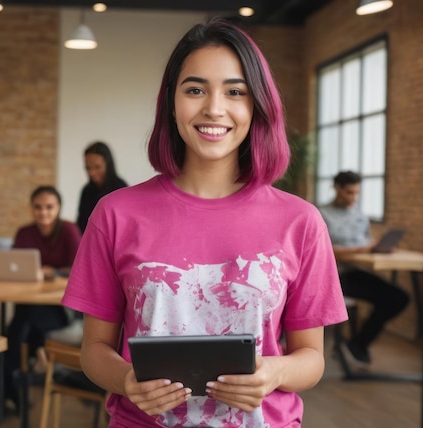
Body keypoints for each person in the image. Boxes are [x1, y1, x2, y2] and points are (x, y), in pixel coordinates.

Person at [62, 17, 348, 428]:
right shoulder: (115, 213)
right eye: (195, 89)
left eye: (235, 92)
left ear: (258, 106)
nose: (214, 108)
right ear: (171, 102)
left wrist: (275, 373)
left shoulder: (300, 221)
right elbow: (94, 350)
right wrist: (127, 379)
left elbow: (312, 358)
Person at [0, 185, 82, 412]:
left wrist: (54, 272)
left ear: (59, 208)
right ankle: (21, 372)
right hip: (28, 303)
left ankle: (6, 389)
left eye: (49, 207)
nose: (43, 213)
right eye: (38, 207)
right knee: (24, 320)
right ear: (31, 208)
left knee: (17, 331)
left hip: (59, 309)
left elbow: (82, 268)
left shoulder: (69, 230)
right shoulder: (25, 232)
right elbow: (14, 268)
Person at [319, 170, 409, 367]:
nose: (354, 198)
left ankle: (359, 343)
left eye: (357, 193)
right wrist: (363, 249)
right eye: (349, 192)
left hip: (356, 272)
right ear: (337, 189)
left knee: (398, 298)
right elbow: (324, 252)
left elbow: (368, 242)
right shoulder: (321, 214)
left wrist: (380, 248)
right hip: (332, 277)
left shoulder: (360, 215)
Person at [77, 141, 128, 233]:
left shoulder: (121, 189)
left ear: (108, 165)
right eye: (88, 168)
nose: (91, 172)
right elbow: (81, 225)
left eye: (97, 167)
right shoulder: (86, 191)